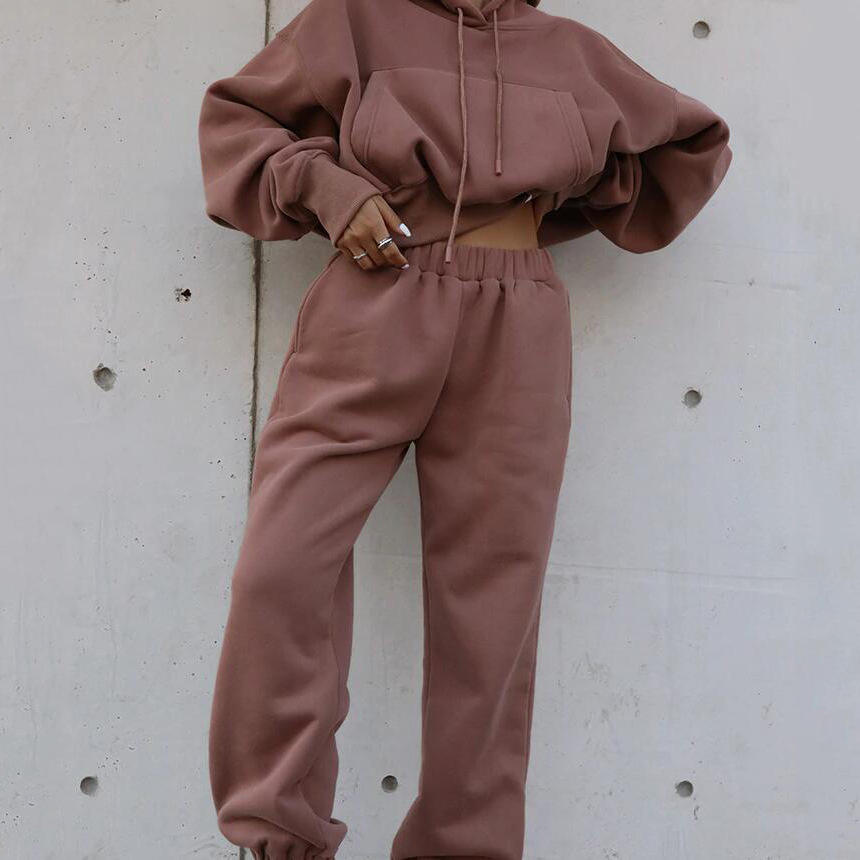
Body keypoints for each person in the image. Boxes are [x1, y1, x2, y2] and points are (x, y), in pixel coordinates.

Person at [197, 0, 732, 857]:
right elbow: (238, 120)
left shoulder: (571, 52)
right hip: (373, 301)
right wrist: (326, 188)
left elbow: (692, 146)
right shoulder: (354, 18)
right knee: (281, 571)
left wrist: (552, 197)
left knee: (492, 611)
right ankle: (279, 835)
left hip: (516, 321)